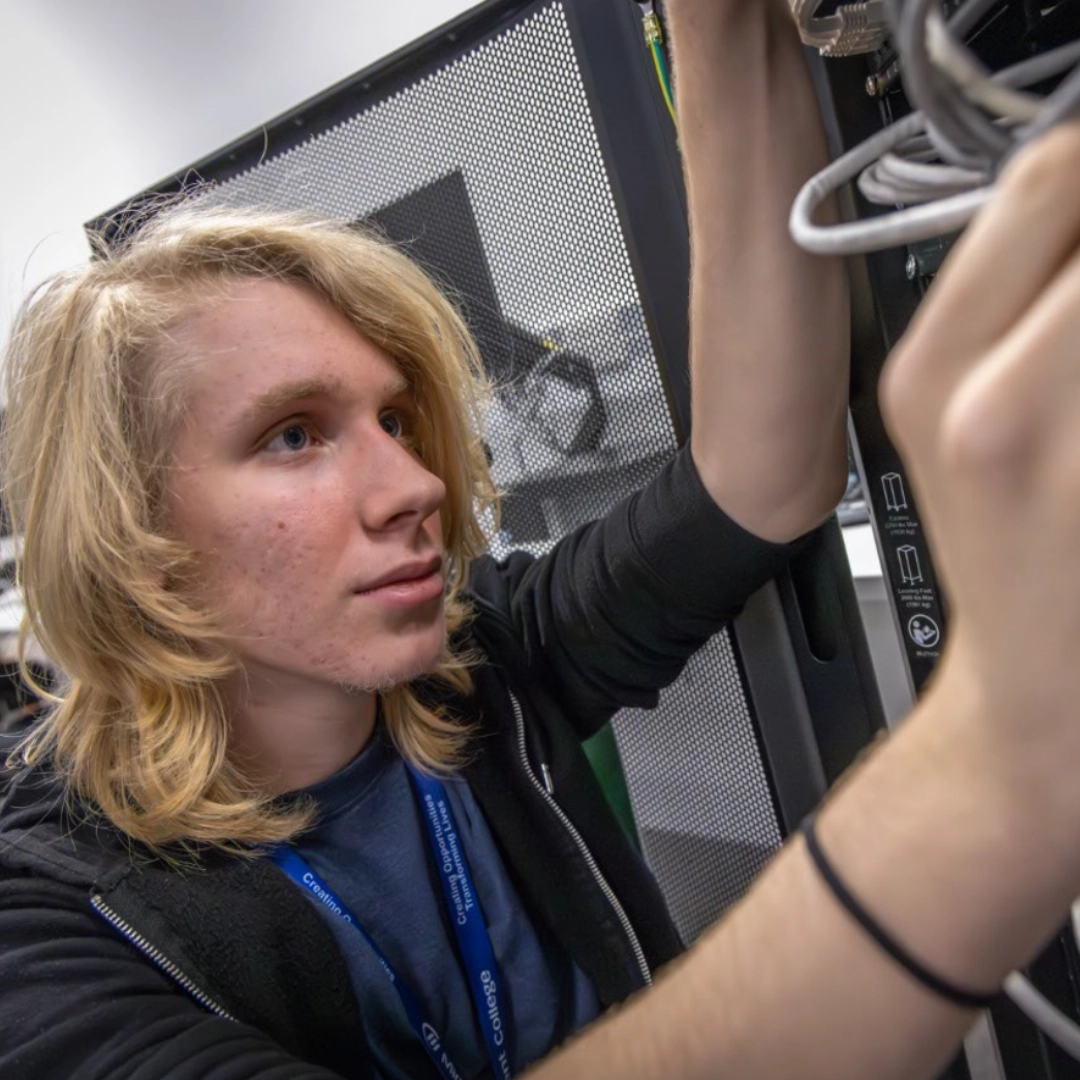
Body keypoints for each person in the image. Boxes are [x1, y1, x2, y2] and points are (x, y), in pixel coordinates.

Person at [0, 4, 1076, 1080]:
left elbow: (764, 481)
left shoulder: (472, 672)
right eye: (293, 436)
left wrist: (716, 27)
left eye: (396, 421)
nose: (416, 484)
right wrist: (989, 768)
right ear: (128, 535)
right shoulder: (53, 921)